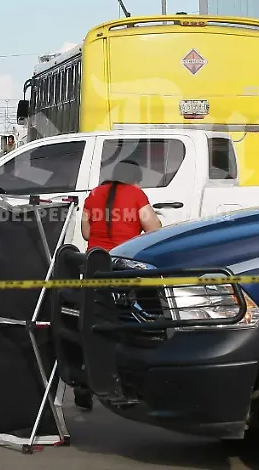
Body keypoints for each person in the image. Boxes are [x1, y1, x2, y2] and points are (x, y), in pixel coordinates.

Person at [72, 159, 162, 412]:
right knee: (127, 321)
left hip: (95, 266)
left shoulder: (94, 195)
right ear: (133, 178)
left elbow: (87, 234)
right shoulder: (135, 193)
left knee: (93, 321)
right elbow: (153, 228)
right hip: (123, 265)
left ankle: (85, 381)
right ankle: (126, 379)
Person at [80, 159, 163, 251]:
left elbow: (86, 234)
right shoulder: (136, 194)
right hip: (125, 257)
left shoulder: (94, 193)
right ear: (136, 179)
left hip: (94, 257)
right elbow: (155, 230)